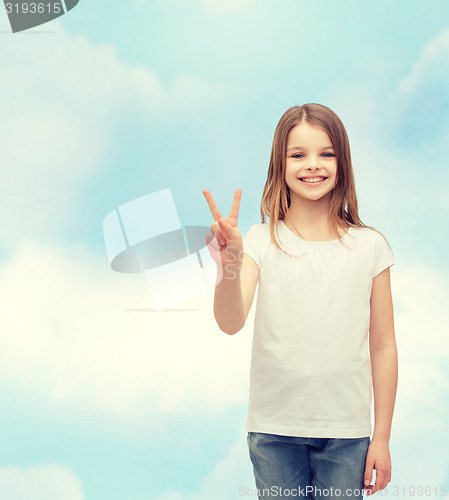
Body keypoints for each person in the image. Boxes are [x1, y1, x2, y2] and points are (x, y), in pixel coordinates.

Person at [202, 103, 398, 499]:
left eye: (326, 153)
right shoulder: (259, 240)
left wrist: (381, 439)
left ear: (343, 162)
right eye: (298, 155)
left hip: (347, 434)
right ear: (281, 163)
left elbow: (383, 346)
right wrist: (230, 264)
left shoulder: (370, 246)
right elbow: (230, 321)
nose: (313, 165)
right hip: (274, 430)